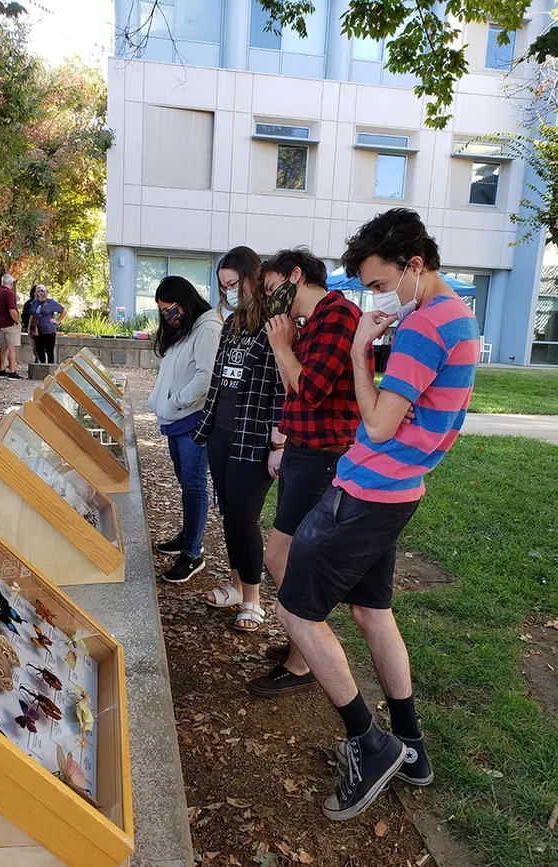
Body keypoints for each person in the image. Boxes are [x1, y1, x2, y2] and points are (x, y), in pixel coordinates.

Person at [274, 208, 480, 821]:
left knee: (294, 610)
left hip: (366, 489)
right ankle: (411, 745)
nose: (376, 296)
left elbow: (379, 422)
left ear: (414, 265)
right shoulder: (457, 316)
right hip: (400, 488)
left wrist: (362, 351)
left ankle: (370, 742)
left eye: (381, 283)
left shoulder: (424, 325)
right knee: (371, 610)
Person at [246, 248, 366, 697]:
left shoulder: (338, 315)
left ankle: (303, 661)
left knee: (282, 556)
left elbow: (311, 391)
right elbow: (292, 388)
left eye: (272, 288)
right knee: (289, 553)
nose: (270, 300)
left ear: (296, 275)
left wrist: (282, 346)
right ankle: (301, 644)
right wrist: (288, 344)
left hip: (323, 454)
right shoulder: (310, 322)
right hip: (302, 449)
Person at [194, 247, 286, 632]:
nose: (230, 291)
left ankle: (253, 599)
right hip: (221, 433)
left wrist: (279, 444)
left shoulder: (277, 324)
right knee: (229, 515)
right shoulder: (232, 324)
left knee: (244, 518)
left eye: (235, 283)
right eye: (224, 286)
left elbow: (283, 389)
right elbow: (219, 379)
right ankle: (236, 586)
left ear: (253, 278)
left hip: (255, 437)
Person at [149, 276, 222, 583]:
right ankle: (188, 535)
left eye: (170, 310)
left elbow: (205, 378)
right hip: (176, 420)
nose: (167, 317)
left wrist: (175, 402)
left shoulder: (207, 328)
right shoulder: (187, 327)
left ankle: (193, 553)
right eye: (163, 311)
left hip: (193, 421)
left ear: (185, 302)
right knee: (186, 483)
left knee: (193, 486)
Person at [0, 273, 22, 380]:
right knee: (11, 348)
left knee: (2, 348)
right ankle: (12, 371)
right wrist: (17, 321)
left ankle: (1, 370)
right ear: (11, 283)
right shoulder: (10, 294)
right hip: (10, 324)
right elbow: (12, 310)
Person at [28, 285, 66, 363]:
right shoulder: (34, 303)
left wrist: (57, 321)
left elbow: (64, 311)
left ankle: (50, 367)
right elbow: (32, 315)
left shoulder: (51, 302)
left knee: (49, 351)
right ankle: (42, 366)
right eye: (41, 291)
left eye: (45, 291)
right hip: (38, 331)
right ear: (37, 293)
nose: (44, 293)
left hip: (49, 331)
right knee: (40, 350)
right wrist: (29, 328)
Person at [22, 285, 37, 362]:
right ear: (34, 293)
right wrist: (28, 326)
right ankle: (37, 359)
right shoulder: (28, 303)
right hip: (32, 328)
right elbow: (25, 316)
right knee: (34, 347)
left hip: (43, 328)